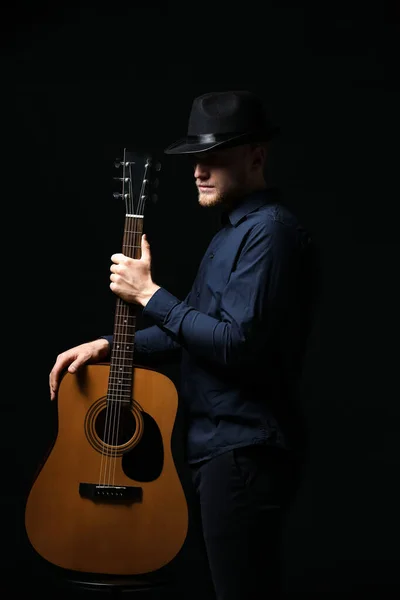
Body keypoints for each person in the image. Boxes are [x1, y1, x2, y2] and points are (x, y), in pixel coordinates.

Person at [49, 90, 317, 600]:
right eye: (195, 158)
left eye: (214, 156)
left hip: (243, 448)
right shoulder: (232, 234)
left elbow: (236, 344)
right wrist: (107, 345)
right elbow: (186, 329)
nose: (199, 170)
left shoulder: (271, 234)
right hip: (214, 449)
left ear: (256, 156)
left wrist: (147, 293)